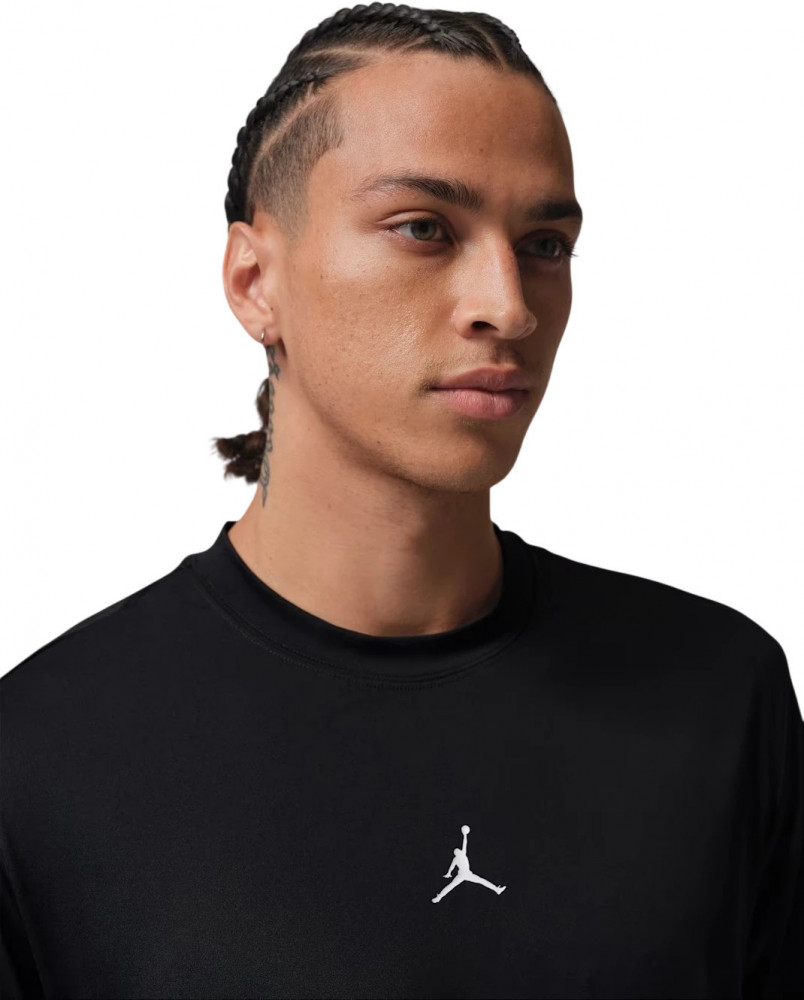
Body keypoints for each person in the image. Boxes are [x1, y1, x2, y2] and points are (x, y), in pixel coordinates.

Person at [1, 3, 801, 998]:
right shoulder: (42, 759)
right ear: (254, 280)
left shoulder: (717, 700)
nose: (508, 305)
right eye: (424, 228)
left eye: (545, 243)